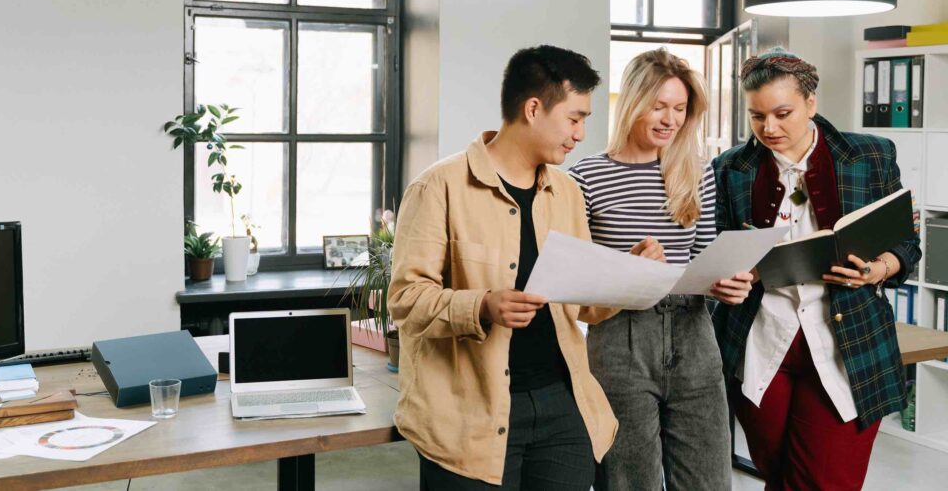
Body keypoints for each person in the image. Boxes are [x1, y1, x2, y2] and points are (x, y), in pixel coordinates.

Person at [389, 45, 619, 489]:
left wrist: (627, 278)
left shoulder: (567, 193)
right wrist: (482, 306)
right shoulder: (438, 187)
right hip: (468, 418)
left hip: (561, 407)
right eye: (574, 118)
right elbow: (404, 300)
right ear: (533, 109)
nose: (579, 134)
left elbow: (584, 303)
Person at [711, 48, 921, 490]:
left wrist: (880, 268)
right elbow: (719, 251)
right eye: (757, 117)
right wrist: (727, 278)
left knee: (826, 481)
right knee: (778, 474)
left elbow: (906, 242)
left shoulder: (869, 155)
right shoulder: (731, 168)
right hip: (760, 340)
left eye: (782, 113)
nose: (769, 128)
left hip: (849, 342)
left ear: (811, 103)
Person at [569, 48, 753, 490]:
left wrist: (726, 284)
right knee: (629, 482)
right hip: (619, 340)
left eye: (680, 108)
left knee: (709, 482)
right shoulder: (584, 177)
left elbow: (705, 255)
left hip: (694, 333)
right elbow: (573, 282)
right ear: (633, 101)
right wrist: (627, 269)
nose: (670, 119)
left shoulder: (697, 172)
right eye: (659, 106)